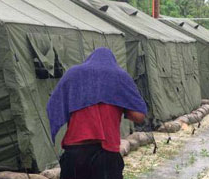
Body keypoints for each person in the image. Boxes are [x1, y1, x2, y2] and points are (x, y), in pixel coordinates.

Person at [47, 47, 147, 179]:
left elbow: (53, 106)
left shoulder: (73, 74)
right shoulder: (120, 76)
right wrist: (121, 106)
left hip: (76, 153)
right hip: (107, 153)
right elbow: (139, 116)